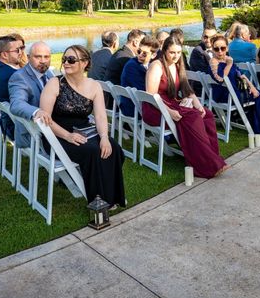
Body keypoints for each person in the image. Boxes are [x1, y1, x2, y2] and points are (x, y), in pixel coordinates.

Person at [40, 45, 126, 208]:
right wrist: (68, 136)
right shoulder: (54, 83)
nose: (66, 63)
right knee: (93, 151)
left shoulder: (94, 86)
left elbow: (100, 116)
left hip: (84, 129)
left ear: (85, 63)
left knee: (112, 147)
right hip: (57, 134)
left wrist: (104, 137)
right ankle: (99, 201)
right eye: (64, 59)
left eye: (71, 59)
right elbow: (46, 119)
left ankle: (112, 196)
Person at [143, 36, 228, 178]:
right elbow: (151, 96)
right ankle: (205, 164)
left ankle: (212, 156)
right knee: (193, 117)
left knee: (205, 114)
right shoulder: (156, 66)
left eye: (178, 52)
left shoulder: (177, 64)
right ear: (164, 51)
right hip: (155, 109)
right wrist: (169, 112)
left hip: (170, 103)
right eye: (172, 52)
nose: (175, 56)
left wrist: (198, 104)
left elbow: (186, 88)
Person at [209, 35, 260, 134]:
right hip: (225, 95)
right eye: (216, 49)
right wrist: (229, 65)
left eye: (223, 48)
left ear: (227, 48)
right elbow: (220, 79)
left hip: (233, 91)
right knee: (259, 96)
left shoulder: (228, 58)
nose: (220, 51)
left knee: (258, 92)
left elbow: (240, 74)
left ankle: (258, 125)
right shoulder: (214, 61)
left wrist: (252, 87)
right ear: (212, 49)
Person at [9, 41, 54, 148]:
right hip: (33, 134)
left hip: (51, 126)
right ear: (28, 57)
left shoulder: (48, 73)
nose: (43, 61)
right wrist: (37, 111)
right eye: (38, 57)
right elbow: (16, 104)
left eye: (46, 57)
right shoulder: (19, 77)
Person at [0, 35, 24, 139]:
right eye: (17, 50)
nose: (21, 53)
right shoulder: (14, 75)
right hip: (18, 127)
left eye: (21, 49)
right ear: (4, 54)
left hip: (7, 122)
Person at [119, 35, 159, 117]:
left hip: (140, 103)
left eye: (144, 54)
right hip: (133, 107)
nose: (140, 55)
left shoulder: (150, 65)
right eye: (139, 51)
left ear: (153, 55)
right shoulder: (132, 66)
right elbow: (145, 92)